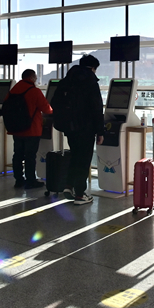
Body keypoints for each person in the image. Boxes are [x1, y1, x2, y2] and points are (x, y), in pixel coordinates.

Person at [51, 54, 104, 205]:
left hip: (69, 127)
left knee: (75, 156)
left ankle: (69, 186)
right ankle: (80, 195)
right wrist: (100, 131)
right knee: (84, 160)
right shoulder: (90, 81)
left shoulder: (66, 81)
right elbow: (96, 108)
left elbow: (54, 102)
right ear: (93, 68)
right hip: (86, 128)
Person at [5, 69, 52, 189]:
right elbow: (46, 108)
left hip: (16, 128)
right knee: (30, 156)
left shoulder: (13, 90)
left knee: (18, 155)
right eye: (35, 77)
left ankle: (18, 180)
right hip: (32, 129)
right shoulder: (34, 91)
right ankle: (31, 180)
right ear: (31, 78)